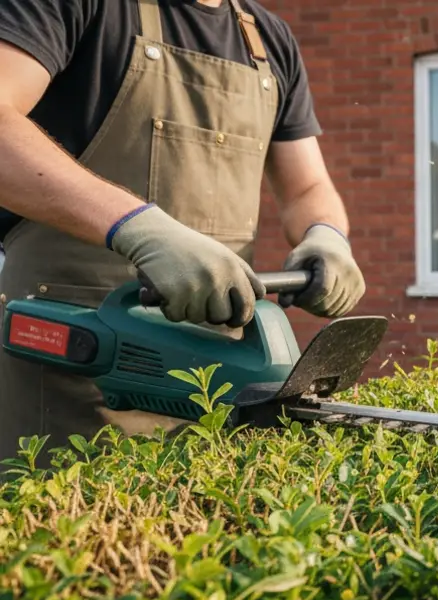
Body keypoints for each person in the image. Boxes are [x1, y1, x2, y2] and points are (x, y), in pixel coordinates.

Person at [0, 0, 366, 465]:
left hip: (219, 377)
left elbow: (306, 188)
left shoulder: (266, 39)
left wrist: (327, 233)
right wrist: (138, 228)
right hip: (80, 361)